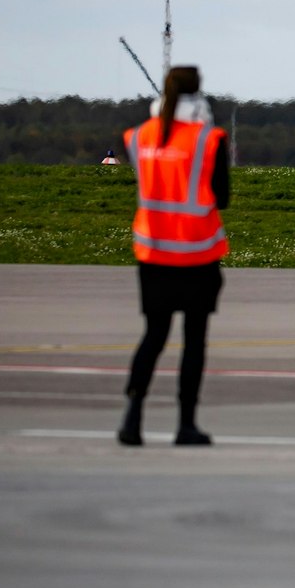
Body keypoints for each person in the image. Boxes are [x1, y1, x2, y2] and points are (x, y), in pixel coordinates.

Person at [118, 66, 230, 447]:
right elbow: (223, 197)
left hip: (152, 254)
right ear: (198, 94)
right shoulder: (208, 139)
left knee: (153, 335)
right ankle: (186, 423)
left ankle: (132, 419)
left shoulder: (139, 137)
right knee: (194, 340)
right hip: (198, 253)